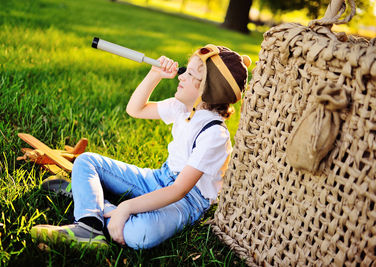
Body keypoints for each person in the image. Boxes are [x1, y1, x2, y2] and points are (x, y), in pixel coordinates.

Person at [31, 44, 251, 249]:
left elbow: (179, 190)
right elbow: (135, 110)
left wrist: (125, 208)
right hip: (159, 178)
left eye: (191, 74)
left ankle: (92, 200)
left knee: (141, 233)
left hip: (187, 200)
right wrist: (154, 74)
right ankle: (89, 224)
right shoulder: (182, 108)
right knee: (87, 160)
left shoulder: (215, 135)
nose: (181, 76)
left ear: (210, 90)